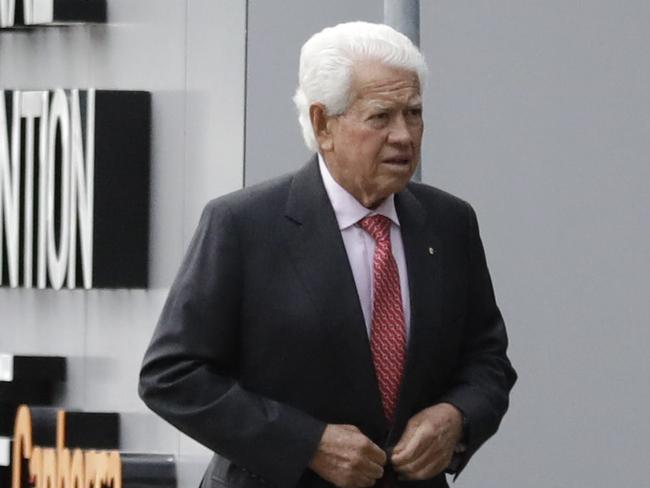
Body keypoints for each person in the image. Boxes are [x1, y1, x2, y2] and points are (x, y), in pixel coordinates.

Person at [139, 21, 516, 488]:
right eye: (380, 117)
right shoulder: (243, 225)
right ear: (323, 125)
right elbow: (172, 376)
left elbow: (487, 359)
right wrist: (306, 443)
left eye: (414, 113)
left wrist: (456, 418)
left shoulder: (449, 223)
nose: (403, 135)